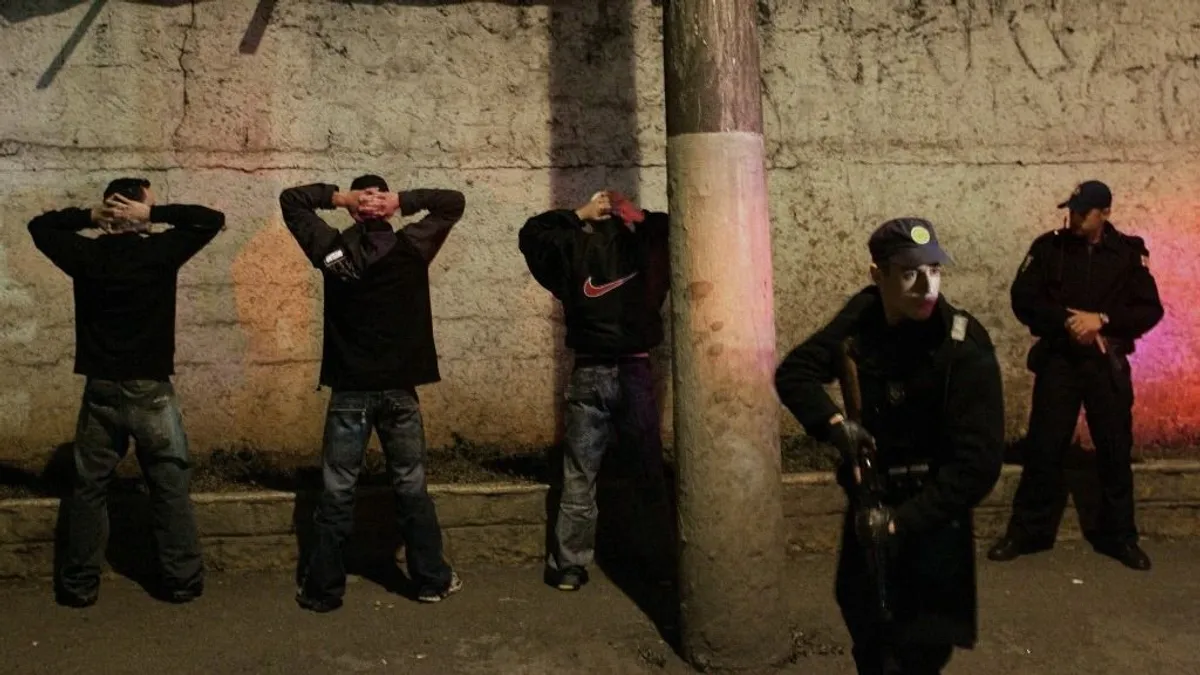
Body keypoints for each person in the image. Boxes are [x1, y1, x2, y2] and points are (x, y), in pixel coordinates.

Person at [774, 218, 1004, 674]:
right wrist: (836, 426)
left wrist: (900, 522)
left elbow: (978, 465)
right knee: (866, 628)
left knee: (919, 650)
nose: (926, 286)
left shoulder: (962, 343)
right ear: (877, 275)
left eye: (934, 270)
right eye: (909, 273)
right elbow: (795, 372)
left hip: (933, 516)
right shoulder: (864, 317)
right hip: (871, 498)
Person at [28, 177, 224, 607]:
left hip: (100, 386)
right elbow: (210, 220)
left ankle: (79, 586)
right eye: (146, 206)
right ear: (136, 211)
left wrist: (88, 216)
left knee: (89, 487)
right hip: (150, 389)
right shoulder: (159, 252)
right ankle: (182, 581)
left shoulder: (86, 254)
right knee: (169, 484)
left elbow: (39, 227)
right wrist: (155, 215)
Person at [279, 175, 466, 612]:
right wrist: (401, 200)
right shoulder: (413, 246)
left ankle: (323, 591)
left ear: (354, 210)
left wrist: (340, 198)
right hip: (400, 391)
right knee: (411, 486)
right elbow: (452, 202)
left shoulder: (332, 251)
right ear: (385, 208)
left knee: (337, 491)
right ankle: (431, 580)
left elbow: (292, 201)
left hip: (349, 392)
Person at [988, 180, 1164, 570]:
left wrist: (1102, 320)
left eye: (1084, 212)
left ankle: (1120, 537)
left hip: (1105, 363)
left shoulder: (1128, 253)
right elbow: (1023, 298)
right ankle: (1027, 532)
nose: (1075, 218)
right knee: (1044, 447)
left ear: (1105, 213)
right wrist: (1068, 321)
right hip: (1060, 361)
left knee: (1114, 450)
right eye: (1072, 210)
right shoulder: (1049, 248)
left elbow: (1150, 309)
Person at [518, 190, 674, 592]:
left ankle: (569, 566)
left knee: (579, 473)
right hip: (635, 369)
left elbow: (532, 233)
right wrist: (636, 214)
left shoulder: (573, 250)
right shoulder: (649, 250)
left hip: (589, 369)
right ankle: (658, 563)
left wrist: (579, 213)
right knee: (646, 472)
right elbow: (675, 226)